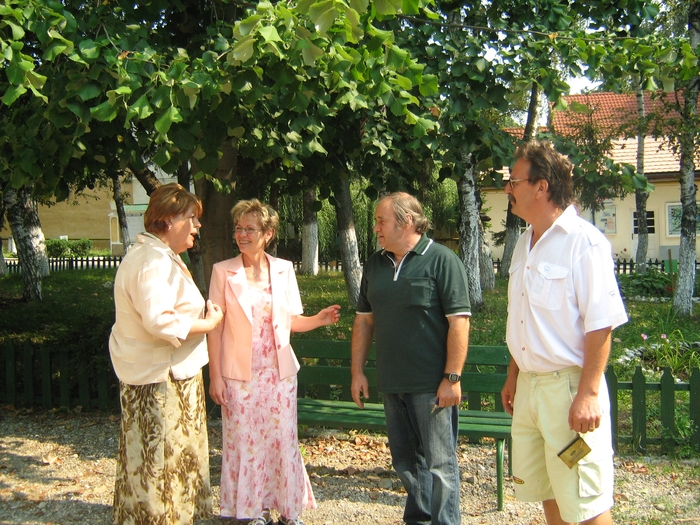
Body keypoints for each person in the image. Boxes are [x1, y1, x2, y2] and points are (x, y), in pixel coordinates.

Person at [500, 140, 628, 525]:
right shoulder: (526, 242)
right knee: (550, 494)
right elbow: (523, 317)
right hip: (531, 390)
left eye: (514, 180)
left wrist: (588, 393)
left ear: (542, 186)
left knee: (585, 504)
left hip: (568, 391)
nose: (508, 188)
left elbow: (601, 322)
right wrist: (513, 375)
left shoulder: (584, 243)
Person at [207, 199, 341, 525]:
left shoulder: (283, 269)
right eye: (238, 228)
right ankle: (253, 510)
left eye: (249, 229)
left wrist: (319, 320)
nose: (242, 234)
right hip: (239, 377)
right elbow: (215, 327)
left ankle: (286, 508)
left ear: (267, 233)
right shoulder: (222, 271)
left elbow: (291, 321)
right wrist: (215, 377)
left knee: (282, 441)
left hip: (279, 375)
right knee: (245, 443)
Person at [350, 192, 471, 525]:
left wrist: (452, 377)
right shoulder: (375, 263)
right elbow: (364, 319)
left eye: (380, 220)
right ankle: (418, 519)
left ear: (405, 222)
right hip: (392, 383)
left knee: (440, 465)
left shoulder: (442, 260)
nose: (375, 227)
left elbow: (459, 321)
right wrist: (357, 372)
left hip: (431, 386)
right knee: (405, 462)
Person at [109, 182, 224, 525]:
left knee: (167, 459)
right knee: (159, 461)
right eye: (192, 218)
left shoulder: (159, 256)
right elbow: (160, 321)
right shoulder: (152, 262)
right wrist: (210, 323)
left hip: (168, 375)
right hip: (160, 382)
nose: (197, 225)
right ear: (169, 220)